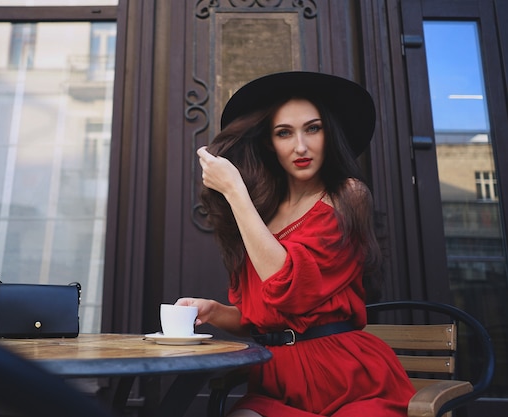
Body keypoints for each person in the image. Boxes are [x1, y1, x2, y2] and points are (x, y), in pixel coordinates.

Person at [176, 71, 416, 417]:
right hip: (276, 382)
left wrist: (234, 192)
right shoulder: (262, 215)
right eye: (284, 133)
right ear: (269, 143)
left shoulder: (347, 195)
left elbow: (287, 284)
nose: (300, 146)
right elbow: (263, 317)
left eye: (313, 128)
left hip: (348, 382)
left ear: (329, 134)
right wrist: (214, 311)